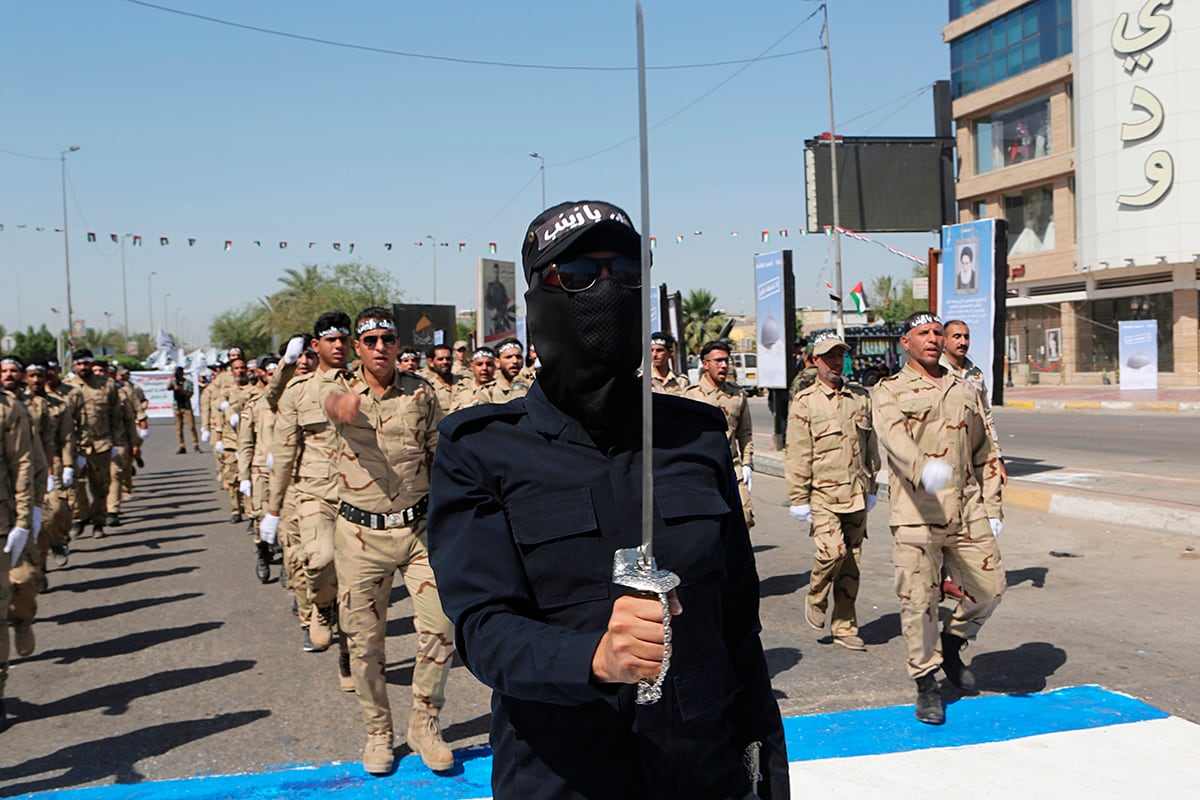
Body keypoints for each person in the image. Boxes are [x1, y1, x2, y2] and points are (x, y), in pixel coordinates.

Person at [429, 200, 788, 799]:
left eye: (626, 273)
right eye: (577, 275)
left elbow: (738, 627)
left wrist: (768, 775)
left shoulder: (696, 434)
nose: (607, 289)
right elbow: (483, 631)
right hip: (563, 773)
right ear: (536, 302)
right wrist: (593, 657)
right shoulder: (480, 449)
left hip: (703, 771)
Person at [321, 307, 456, 776]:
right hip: (359, 535)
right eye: (371, 339)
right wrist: (343, 410)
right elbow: (331, 407)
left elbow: (441, 455)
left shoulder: (421, 392)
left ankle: (425, 721)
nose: (380, 347)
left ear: (399, 345)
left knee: (441, 625)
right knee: (364, 642)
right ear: (358, 346)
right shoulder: (336, 389)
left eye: (388, 339)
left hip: (418, 529)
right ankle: (378, 731)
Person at [873, 312, 1005, 725]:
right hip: (917, 512)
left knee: (991, 587)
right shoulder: (888, 390)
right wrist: (920, 466)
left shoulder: (964, 387)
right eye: (922, 334)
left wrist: (993, 504)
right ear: (906, 344)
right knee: (919, 602)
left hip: (966, 509)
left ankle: (953, 640)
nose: (932, 339)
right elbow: (892, 437)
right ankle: (927, 683)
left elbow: (985, 448)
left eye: (936, 332)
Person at [785, 333, 880, 651]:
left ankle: (844, 626)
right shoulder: (805, 402)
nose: (836, 362)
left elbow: (871, 446)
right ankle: (816, 594)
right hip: (823, 495)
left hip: (856, 491)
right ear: (814, 361)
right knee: (833, 552)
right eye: (829, 357)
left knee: (851, 563)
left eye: (840, 356)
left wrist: (873, 486)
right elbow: (798, 453)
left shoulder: (860, 398)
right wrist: (798, 497)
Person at [263, 314, 352, 654]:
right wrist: (272, 508)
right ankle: (321, 606)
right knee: (319, 560)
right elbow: (284, 454)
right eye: (331, 340)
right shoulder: (298, 393)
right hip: (315, 492)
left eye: (344, 339)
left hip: (362, 495)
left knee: (357, 584)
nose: (339, 345)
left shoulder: (364, 384)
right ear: (317, 346)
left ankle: (350, 657)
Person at [684, 340, 755, 529]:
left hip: (733, 469)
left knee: (744, 518)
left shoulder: (738, 396)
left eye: (726, 360)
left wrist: (747, 463)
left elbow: (745, 433)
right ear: (705, 364)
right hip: (703, 470)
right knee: (709, 525)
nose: (723, 365)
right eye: (718, 361)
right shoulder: (690, 396)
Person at [1, 368, 34, 732]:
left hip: (2, 520)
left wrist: (25, 519)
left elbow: (22, 463)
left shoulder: (8, 410)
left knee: (19, 584)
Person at [66, 349, 124, 539]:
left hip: (101, 444)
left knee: (100, 486)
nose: (83, 367)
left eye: (86, 363)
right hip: (75, 447)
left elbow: (116, 416)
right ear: (74, 365)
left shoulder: (106, 385)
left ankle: (98, 521)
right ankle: (80, 517)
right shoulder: (67, 387)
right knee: (76, 486)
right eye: (79, 364)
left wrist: (117, 442)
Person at [940, 320, 1006, 485]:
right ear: (944, 340)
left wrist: (997, 458)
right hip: (943, 455)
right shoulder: (935, 371)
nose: (963, 342)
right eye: (957, 336)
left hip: (974, 452)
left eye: (966, 337)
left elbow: (986, 417)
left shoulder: (976, 375)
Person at [474, 337, 529, 403]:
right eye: (508, 357)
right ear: (497, 363)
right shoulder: (487, 393)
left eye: (518, 357)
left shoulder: (534, 384)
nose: (515, 361)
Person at [448, 346, 497, 412]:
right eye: (479, 364)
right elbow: (453, 416)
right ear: (471, 366)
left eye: (489, 364)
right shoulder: (463, 393)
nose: (484, 368)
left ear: (495, 366)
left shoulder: (503, 389)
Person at [419, 344, 462, 414]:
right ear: (431, 362)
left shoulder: (464, 382)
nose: (445, 362)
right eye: (440, 359)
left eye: (448, 359)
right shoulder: (426, 387)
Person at [168, 366, 200, 453]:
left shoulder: (188, 382)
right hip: (177, 407)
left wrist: (181, 390)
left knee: (192, 427)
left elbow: (190, 394)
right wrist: (172, 377)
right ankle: (182, 446)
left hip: (186, 407)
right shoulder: (174, 382)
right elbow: (167, 387)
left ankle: (196, 444)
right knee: (179, 428)